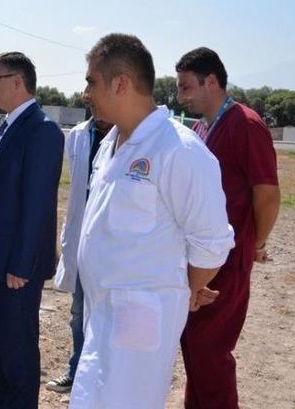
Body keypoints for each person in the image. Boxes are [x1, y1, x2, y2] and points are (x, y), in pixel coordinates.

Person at [69, 34, 236, 408]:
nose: (85, 93)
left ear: (121, 83)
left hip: (138, 322)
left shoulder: (179, 150)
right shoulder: (111, 144)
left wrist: (184, 287)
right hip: (100, 313)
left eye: (91, 82)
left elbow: (211, 243)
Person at [176, 47, 281, 409]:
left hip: (228, 261)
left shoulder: (245, 124)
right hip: (200, 258)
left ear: (211, 81)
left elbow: (267, 194)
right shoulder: (200, 128)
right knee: (194, 348)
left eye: (186, 87)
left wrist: (256, 243)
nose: (180, 97)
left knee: (211, 351)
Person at [0, 52, 64, 409]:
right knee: (3, 347)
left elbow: (37, 206)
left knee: (18, 351)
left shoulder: (42, 130)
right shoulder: (9, 125)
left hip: (16, 269)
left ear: (17, 81)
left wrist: (21, 265)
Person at [46, 95, 111, 394]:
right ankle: (77, 371)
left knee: (110, 314)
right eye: (92, 104)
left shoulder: (127, 136)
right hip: (84, 237)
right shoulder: (77, 136)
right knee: (78, 312)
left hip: (113, 242)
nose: (97, 109)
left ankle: (105, 378)